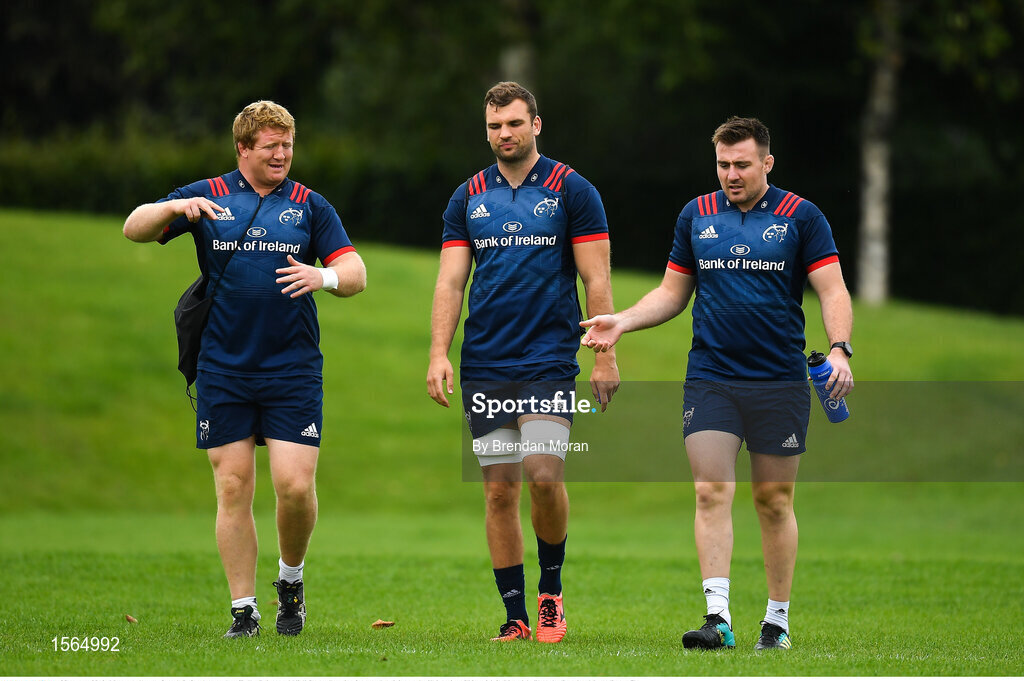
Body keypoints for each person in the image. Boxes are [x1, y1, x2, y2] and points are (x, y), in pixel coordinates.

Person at [580, 116, 853, 651]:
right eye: (724, 164)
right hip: (712, 378)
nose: (731, 174)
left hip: (779, 381)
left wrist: (840, 348)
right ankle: (717, 618)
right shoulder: (696, 215)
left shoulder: (803, 217)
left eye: (743, 164)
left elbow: (833, 289)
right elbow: (672, 293)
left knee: (773, 499)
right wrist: (622, 322)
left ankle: (776, 623)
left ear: (767, 163)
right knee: (710, 491)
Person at [123, 100, 366, 638]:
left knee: (295, 487)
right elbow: (133, 228)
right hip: (224, 367)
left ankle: (291, 582)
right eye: (270, 146)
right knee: (232, 486)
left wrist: (321, 278)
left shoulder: (309, 206)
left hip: (292, 367)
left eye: (288, 145)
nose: (282, 155)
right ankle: (244, 611)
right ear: (243, 149)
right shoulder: (208, 196)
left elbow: (355, 270)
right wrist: (172, 209)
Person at [427, 81, 619, 643]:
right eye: (493, 126)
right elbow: (451, 280)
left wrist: (604, 357)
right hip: (486, 359)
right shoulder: (468, 196)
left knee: (542, 474)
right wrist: (439, 351)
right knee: (497, 490)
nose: (503, 134)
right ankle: (514, 616)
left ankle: (551, 594)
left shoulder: (573, 191)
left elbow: (596, 277)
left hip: (548, 358)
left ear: (537, 124)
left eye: (513, 123)